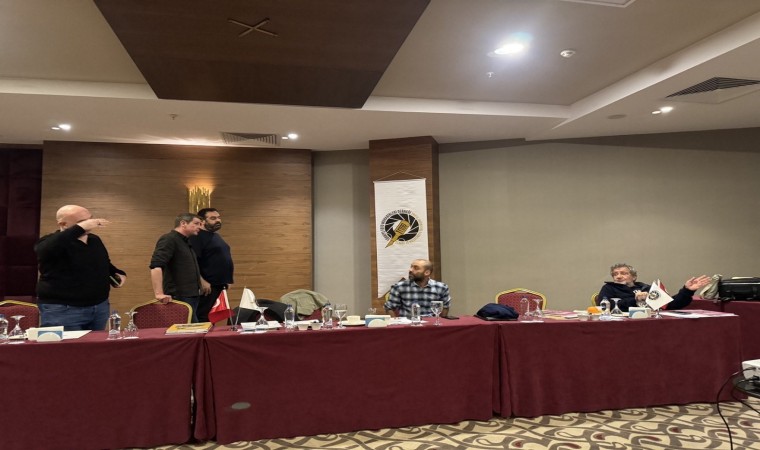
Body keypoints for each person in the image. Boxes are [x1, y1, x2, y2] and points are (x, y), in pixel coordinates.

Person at [34, 205, 126, 330]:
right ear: (63, 224)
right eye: (82, 222)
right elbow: (44, 249)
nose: (90, 224)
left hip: (99, 306)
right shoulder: (50, 242)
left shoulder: (94, 240)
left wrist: (117, 273)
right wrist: (80, 228)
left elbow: (103, 262)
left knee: (96, 342)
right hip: (63, 309)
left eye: (90, 219)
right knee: (67, 343)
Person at [149, 213, 203, 322]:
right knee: (190, 330)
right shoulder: (169, 239)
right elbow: (156, 266)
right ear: (183, 223)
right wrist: (159, 293)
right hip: (179, 295)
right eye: (196, 223)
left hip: (192, 294)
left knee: (193, 328)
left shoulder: (186, 241)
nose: (200, 227)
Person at [597, 263, 711, 312]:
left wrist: (687, 290)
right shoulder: (609, 288)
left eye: (623, 273)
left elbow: (670, 305)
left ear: (634, 277)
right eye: (615, 274)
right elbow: (605, 307)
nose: (618, 276)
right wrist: (635, 300)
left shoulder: (646, 287)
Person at [188, 208, 234, 322]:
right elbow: (193, 261)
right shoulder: (197, 237)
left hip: (219, 284)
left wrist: (227, 280)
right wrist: (202, 281)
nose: (218, 220)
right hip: (208, 286)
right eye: (213, 218)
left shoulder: (215, 236)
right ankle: (203, 334)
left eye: (218, 218)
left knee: (212, 316)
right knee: (203, 315)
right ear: (202, 221)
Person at [383, 259, 451, 318]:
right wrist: (396, 324)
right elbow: (389, 308)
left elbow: (445, 307)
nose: (410, 270)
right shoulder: (399, 287)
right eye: (411, 267)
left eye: (416, 268)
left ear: (427, 272)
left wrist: (440, 323)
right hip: (408, 324)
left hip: (432, 325)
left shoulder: (441, 287)